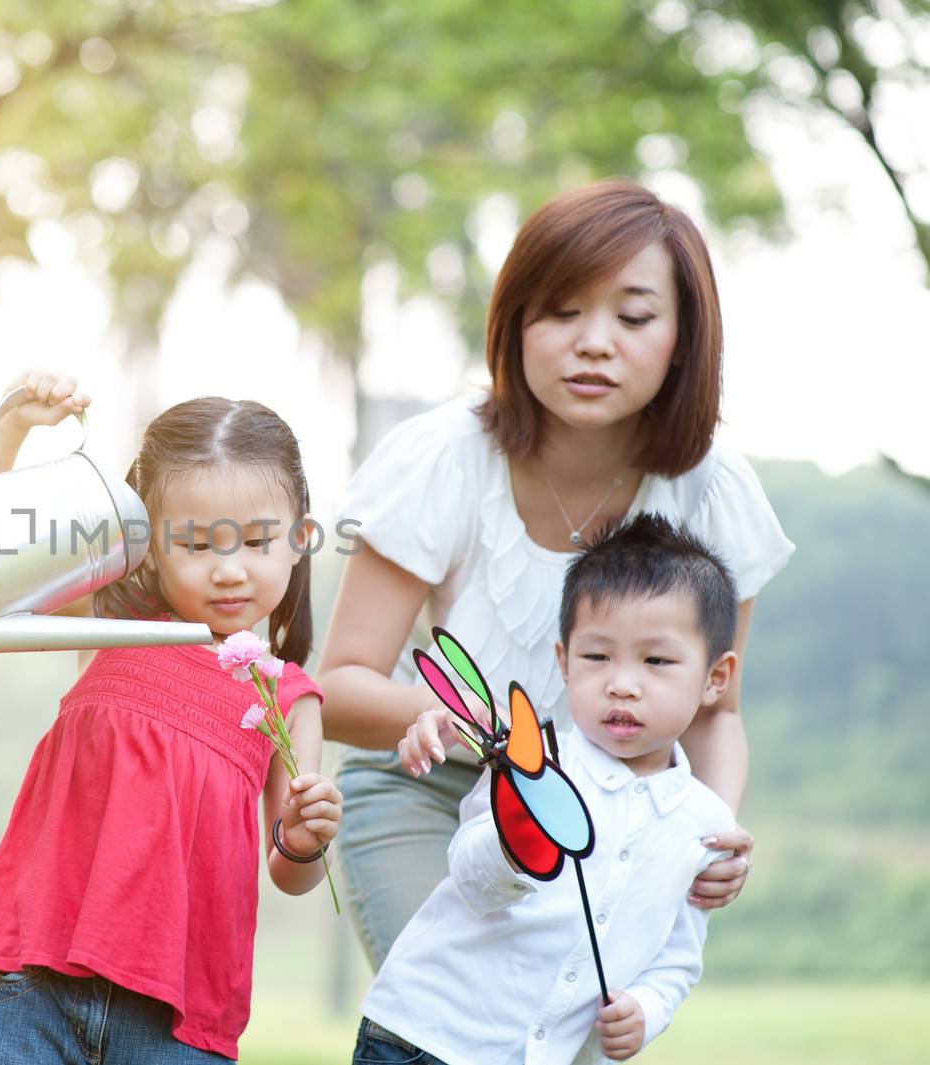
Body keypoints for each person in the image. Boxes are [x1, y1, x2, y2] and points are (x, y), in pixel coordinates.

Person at [318, 179, 794, 968]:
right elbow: (337, 685)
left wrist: (708, 829)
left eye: (634, 316)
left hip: (608, 809)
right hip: (428, 786)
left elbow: (714, 711)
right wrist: (484, 732)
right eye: (562, 312)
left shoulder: (714, 489)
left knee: (569, 1038)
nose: (594, 342)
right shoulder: (442, 458)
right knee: (450, 1026)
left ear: (683, 335)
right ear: (514, 326)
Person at [0, 373, 344, 1064]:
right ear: (149, 544)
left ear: (301, 539)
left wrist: (308, 835)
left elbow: (289, 871)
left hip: (178, 1026)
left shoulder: (290, 696)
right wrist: (12, 424)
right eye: (197, 544)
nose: (229, 569)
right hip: (36, 982)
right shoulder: (113, 620)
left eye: (257, 542)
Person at [354, 514, 742, 1064]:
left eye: (657, 661)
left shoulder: (705, 821)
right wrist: (516, 847)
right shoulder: (534, 757)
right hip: (427, 1039)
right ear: (563, 661)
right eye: (596, 656)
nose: (622, 683)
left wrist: (646, 1008)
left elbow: (679, 954)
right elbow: (470, 877)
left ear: (715, 678)